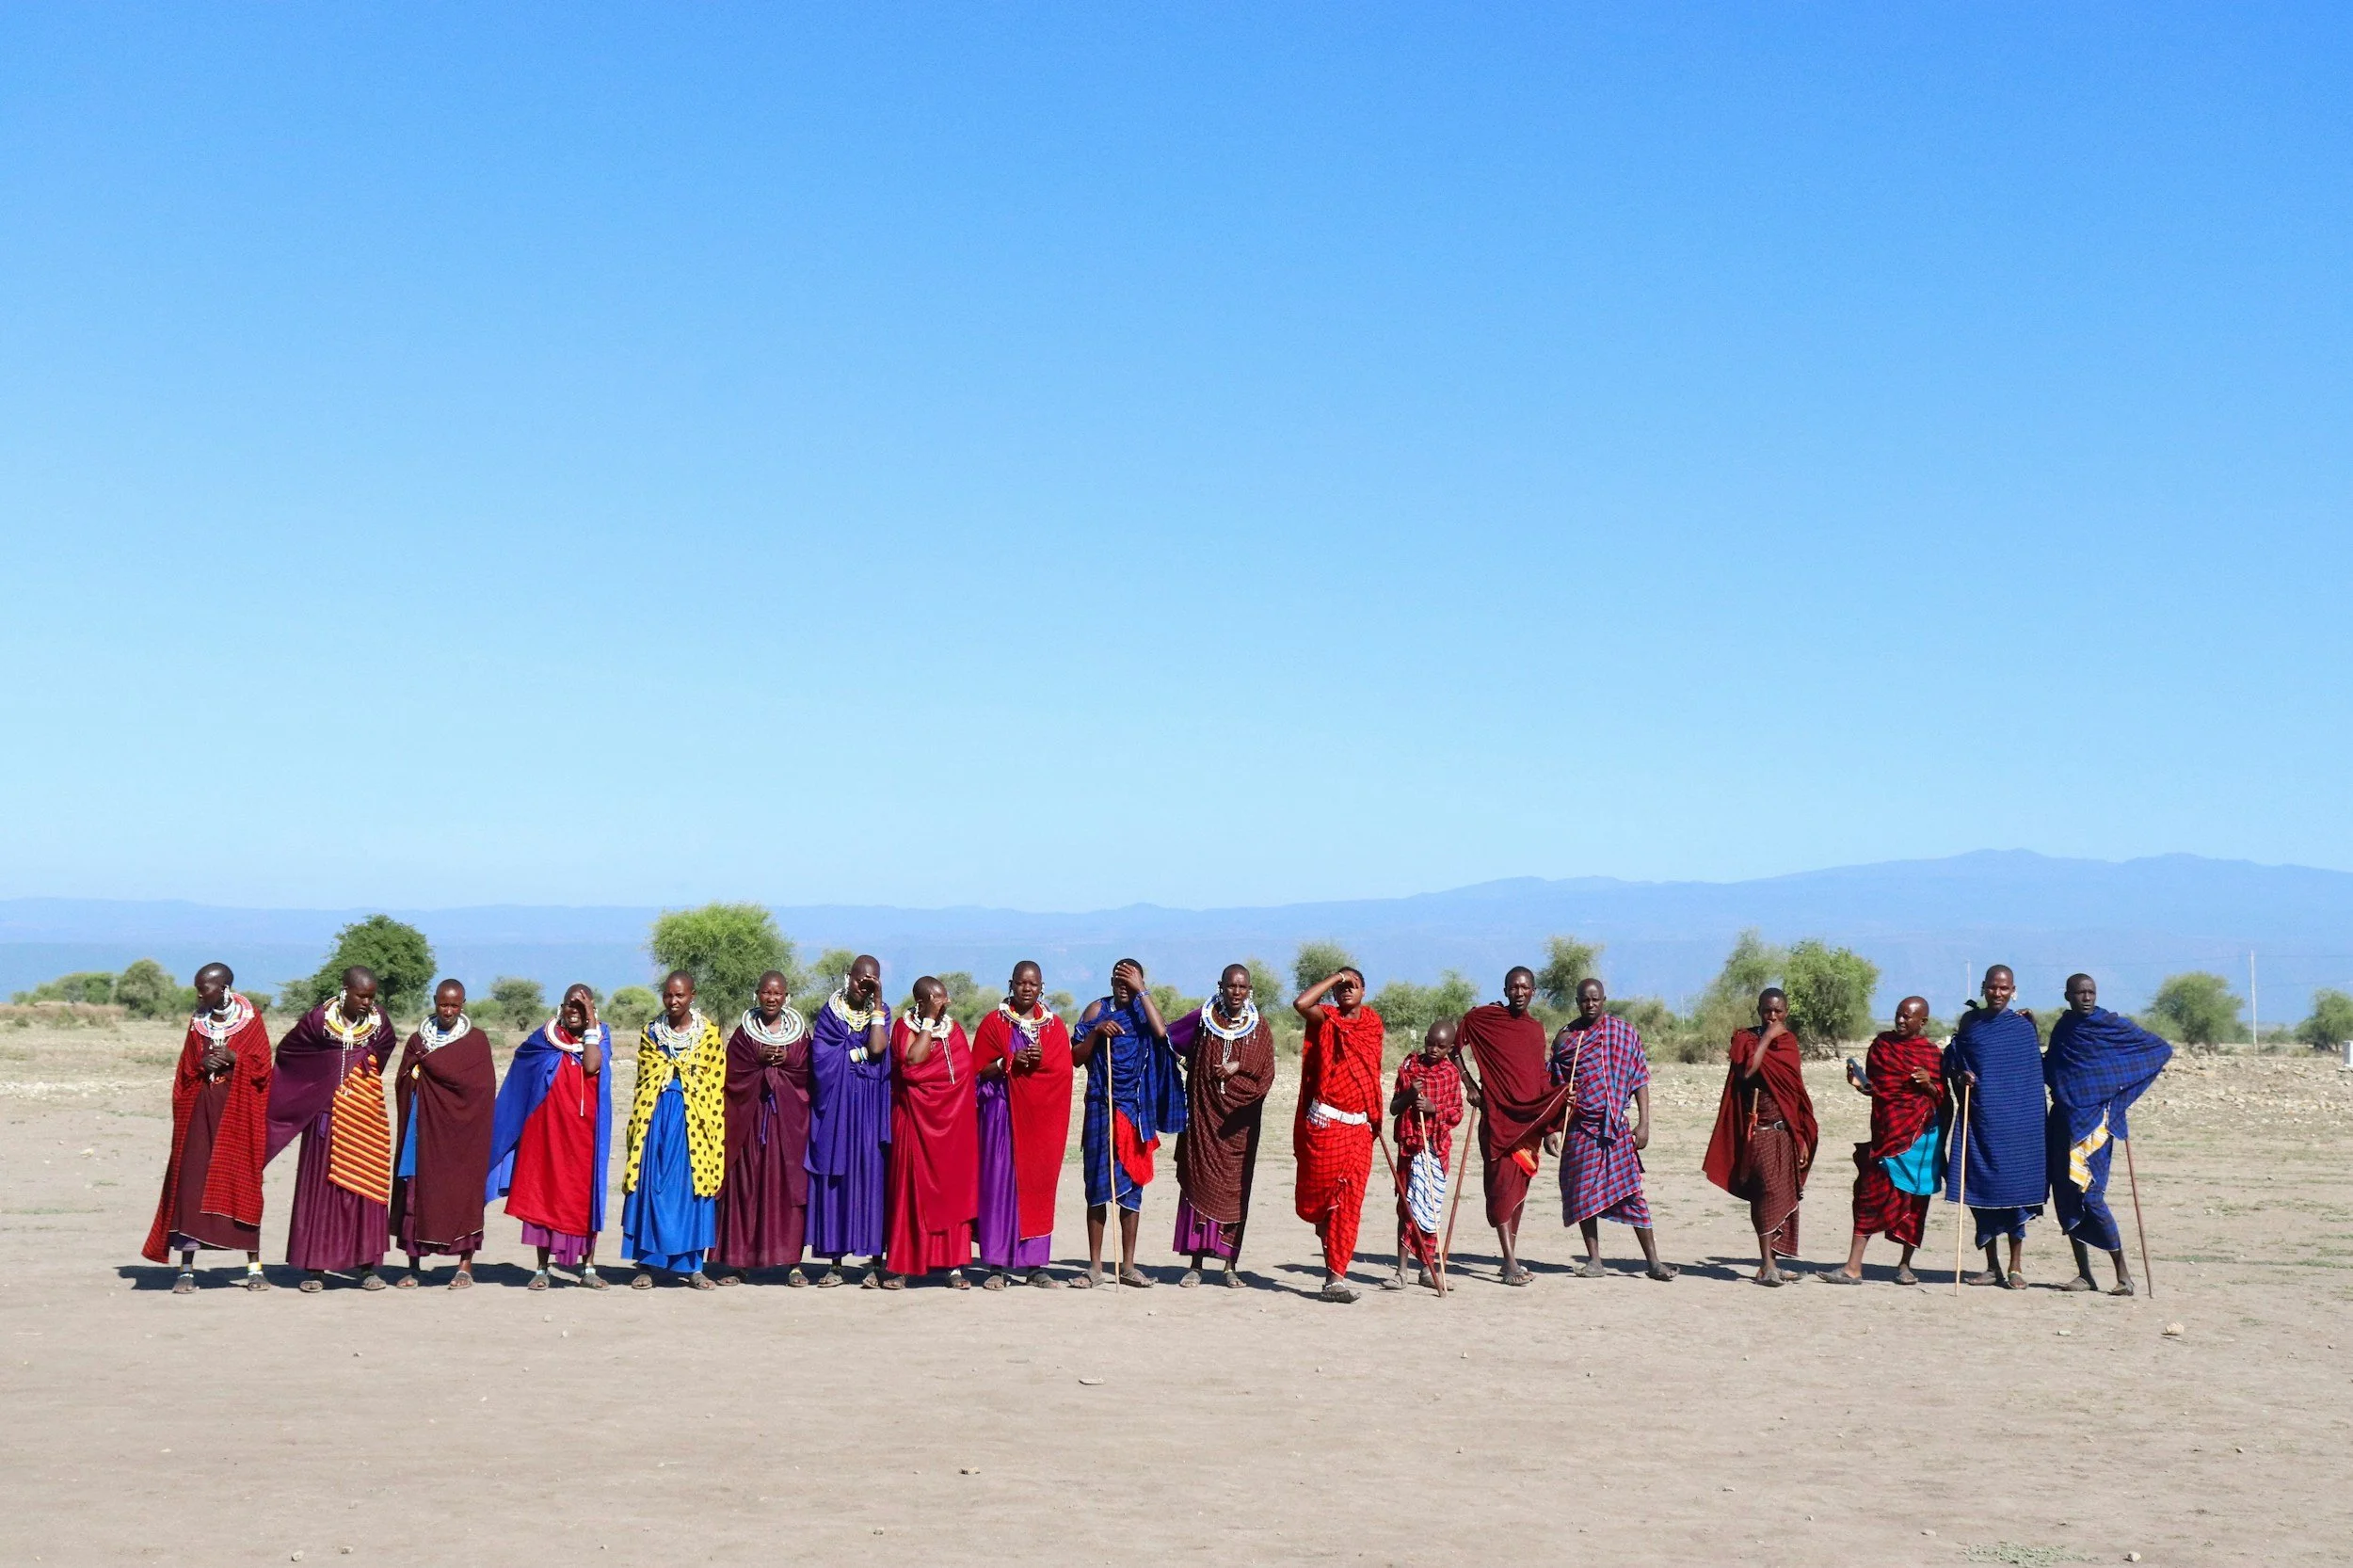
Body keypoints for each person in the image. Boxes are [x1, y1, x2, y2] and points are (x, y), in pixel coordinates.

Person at [142, 963, 273, 1292]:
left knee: (243, 1183)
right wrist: (202, 1065)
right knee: (191, 1185)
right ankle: (186, 1269)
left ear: (225, 987)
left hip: (238, 1114)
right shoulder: (196, 1023)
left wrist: (233, 1057)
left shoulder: (250, 1019)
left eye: (206, 988)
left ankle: (254, 1268)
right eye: (198, 988)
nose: (200, 994)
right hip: (199, 1114)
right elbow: (185, 1070)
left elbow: (262, 1068)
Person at [267, 967, 398, 1293]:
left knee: (365, 1189)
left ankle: (368, 1266)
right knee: (322, 1192)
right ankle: (316, 1267)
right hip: (326, 1117)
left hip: (366, 1116)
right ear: (345, 991)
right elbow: (289, 1052)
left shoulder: (379, 1024)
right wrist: (319, 1081)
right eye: (361, 996)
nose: (367, 1002)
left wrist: (358, 1074)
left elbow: (382, 1052)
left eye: (371, 996)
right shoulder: (318, 1022)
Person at [2045, 973, 2172, 1296]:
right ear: (2067, 996)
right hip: (2063, 1119)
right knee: (2067, 1195)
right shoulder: (2064, 1029)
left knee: (2092, 1196)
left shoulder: (2111, 1026)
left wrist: (2117, 1093)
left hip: (2097, 1125)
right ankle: (2084, 1274)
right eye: (2080, 993)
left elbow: (2159, 1050)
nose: (2086, 998)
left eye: (2091, 992)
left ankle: (2124, 1275)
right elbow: (2054, 1069)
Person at [486, 983, 613, 1289]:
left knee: (585, 1199)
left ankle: (588, 1268)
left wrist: (592, 1025)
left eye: (581, 1007)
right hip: (546, 1133)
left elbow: (592, 1065)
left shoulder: (602, 1036)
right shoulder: (544, 1039)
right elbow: (522, 1068)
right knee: (544, 1195)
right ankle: (542, 1269)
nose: (574, 1012)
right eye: (570, 1004)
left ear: (592, 1010)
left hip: (585, 1137)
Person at [1548, 978, 1676, 1281]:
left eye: (1595, 999)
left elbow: (1639, 1078)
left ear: (1604, 999)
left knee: (1633, 1192)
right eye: (1584, 1000)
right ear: (1577, 1001)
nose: (1590, 1004)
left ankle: (1654, 1262)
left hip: (1617, 1128)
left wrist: (1644, 1124)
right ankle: (1595, 1261)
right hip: (1581, 1128)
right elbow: (1552, 1087)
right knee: (1582, 1193)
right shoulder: (1567, 1040)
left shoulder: (1624, 1033)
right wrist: (1550, 1130)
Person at [1453, 967, 1571, 1286]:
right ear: (1505, 990)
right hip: (1498, 1118)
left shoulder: (1535, 1030)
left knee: (1518, 1188)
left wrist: (1549, 1128)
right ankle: (1509, 1261)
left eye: (1525, 987)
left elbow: (1538, 1079)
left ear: (1534, 991)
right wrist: (1469, 1084)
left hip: (1527, 1124)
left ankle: (1509, 1260)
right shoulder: (1483, 1019)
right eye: (1513, 987)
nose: (1519, 992)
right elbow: (1453, 1046)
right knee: (1502, 1188)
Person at [1072, 957, 1185, 1288]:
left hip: (1135, 1111)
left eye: (1130, 980)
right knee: (1096, 1187)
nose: (1124, 986)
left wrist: (1142, 991)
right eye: (1119, 980)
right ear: (1110, 982)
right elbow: (1075, 1058)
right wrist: (1095, 1033)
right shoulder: (1096, 1010)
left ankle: (1129, 1265)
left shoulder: (1143, 1011)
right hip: (1101, 1107)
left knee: (1131, 1190)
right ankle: (1095, 1267)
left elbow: (1163, 1034)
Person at [1821, 996, 1946, 1286]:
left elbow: (1942, 1097)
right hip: (1886, 1133)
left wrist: (1928, 1083)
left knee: (1916, 1202)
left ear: (1922, 1022)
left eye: (1908, 1017)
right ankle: (1853, 1266)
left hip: (1920, 1138)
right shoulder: (1881, 1046)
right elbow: (1876, 1089)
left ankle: (1905, 1265)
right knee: (1869, 1194)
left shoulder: (1931, 1055)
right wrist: (1859, 1084)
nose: (1900, 1020)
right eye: (1898, 1015)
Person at [1168, 964, 1277, 1288]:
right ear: (1221, 986)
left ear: (1250, 990)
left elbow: (1265, 1075)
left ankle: (1230, 1265)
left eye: (1243, 988)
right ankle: (1196, 1264)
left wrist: (1238, 1067)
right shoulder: (1203, 1020)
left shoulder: (1259, 1028)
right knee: (1199, 1184)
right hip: (1204, 1122)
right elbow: (1170, 1038)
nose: (1237, 993)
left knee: (1235, 1191)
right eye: (1232, 986)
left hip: (1238, 1128)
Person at [1702, 987, 1820, 1286]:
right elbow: (1747, 1071)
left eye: (1778, 1011)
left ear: (1787, 1012)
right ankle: (1767, 1264)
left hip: (1786, 1131)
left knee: (1784, 1193)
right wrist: (1766, 1037)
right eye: (1767, 1010)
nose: (1772, 1016)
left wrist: (1802, 1137)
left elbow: (1794, 1095)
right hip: (1759, 1130)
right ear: (1759, 1010)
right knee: (1766, 1192)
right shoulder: (1746, 1040)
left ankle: (1772, 1264)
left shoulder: (1789, 1043)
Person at [970, 961, 1074, 1289]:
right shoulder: (993, 1024)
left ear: (1042, 987)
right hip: (1001, 1116)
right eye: (1021, 983)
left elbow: (1062, 1073)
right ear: (1011, 984)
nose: (1027, 989)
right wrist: (1007, 1062)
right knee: (999, 1186)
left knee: (1037, 1188)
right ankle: (997, 1266)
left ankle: (1035, 1265)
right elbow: (977, 1072)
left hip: (1041, 1123)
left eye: (1033, 984)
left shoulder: (1053, 1027)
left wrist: (1038, 1063)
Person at [1945, 965, 2046, 1288]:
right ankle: (1992, 1266)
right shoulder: (1971, 1023)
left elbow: (2031, 1076)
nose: (1998, 994)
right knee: (1978, 1191)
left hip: (2016, 1124)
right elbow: (1954, 1059)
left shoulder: (2023, 1027)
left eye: (2004, 989)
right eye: (1992, 987)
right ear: (1984, 988)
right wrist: (1962, 1076)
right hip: (1980, 1119)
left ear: (2013, 990)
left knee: (2015, 1194)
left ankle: (2016, 1266)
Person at [622, 970, 726, 1289]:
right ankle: (647, 1265)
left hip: (695, 1121)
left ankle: (693, 1267)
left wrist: (687, 1085)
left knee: (691, 1189)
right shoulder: (651, 1033)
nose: (673, 1000)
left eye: (680, 995)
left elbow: (715, 1080)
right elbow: (646, 1077)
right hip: (656, 1117)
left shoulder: (708, 1033)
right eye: (668, 995)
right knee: (651, 1186)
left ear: (692, 995)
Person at [389, 979, 495, 1289]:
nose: (448, 1011)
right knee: (415, 1190)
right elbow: (404, 1079)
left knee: (462, 1193)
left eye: (454, 1005)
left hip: (462, 1134)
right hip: (420, 1128)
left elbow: (482, 1088)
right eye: (442, 1004)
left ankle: (464, 1266)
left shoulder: (475, 1042)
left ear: (463, 1004)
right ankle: (414, 1265)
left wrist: (432, 1069)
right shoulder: (418, 1041)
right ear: (435, 1002)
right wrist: (417, 1078)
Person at [712, 969, 813, 1286]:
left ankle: (793, 1264)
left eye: (778, 993)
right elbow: (732, 1074)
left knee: (787, 1190)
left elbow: (808, 1072)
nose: (771, 998)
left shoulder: (799, 1034)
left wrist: (786, 1061)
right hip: (750, 1123)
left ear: (786, 996)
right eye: (766, 992)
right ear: (757, 994)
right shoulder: (745, 1033)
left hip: (787, 1124)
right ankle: (739, 1262)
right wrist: (757, 1060)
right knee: (746, 1187)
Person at [1292, 967, 1385, 1304]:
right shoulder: (1327, 1019)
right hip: (1327, 1126)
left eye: (1354, 985)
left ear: (1364, 991)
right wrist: (1335, 976)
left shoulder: (1372, 1025)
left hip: (1359, 1127)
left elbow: (1371, 1071)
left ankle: (1335, 1278)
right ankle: (1327, 1241)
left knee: (1348, 1204)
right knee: (1320, 1202)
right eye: (1342, 988)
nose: (1347, 990)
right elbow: (1302, 1003)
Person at [882, 976, 980, 1289]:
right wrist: (927, 1022)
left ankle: (953, 1267)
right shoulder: (903, 1027)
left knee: (952, 1190)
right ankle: (903, 1267)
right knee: (909, 1194)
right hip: (913, 1122)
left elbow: (964, 1072)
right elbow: (912, 1061)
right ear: (922, 1001)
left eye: (945, 999)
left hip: (951, 1126)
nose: (944, 1004)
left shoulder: (954, 1031)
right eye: (936, 999)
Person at [806, 955, 893, 1288]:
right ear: (848, 977)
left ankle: (874, 1262)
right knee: (837, 1180)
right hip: (838, 1106)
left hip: (871, 1106)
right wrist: (854, 1057)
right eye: (861, 979)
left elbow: (877, 1047)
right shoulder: (830, 1014)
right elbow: (822, 1062)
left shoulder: (882, 1013)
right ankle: (836, 1263)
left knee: (872, 1178)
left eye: (873, 980)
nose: (865, 984)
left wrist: (879, 1003)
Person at [1388, 1016, 1465, 1291]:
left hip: (1435, 1151)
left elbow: (1456, 1112)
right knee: (1407, 1208)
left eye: (1441, 1046)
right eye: (1430, 1043)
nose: (1433, 1049)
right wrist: (1410, 1094)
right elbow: (1394, 1109)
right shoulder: (1410, 1068)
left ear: (1450, 1048)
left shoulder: (1450, 1074)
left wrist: (1434, 1109)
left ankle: (1428, 1268)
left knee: (1430, 1210)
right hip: (1410, 1150)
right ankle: (1401, 1272)